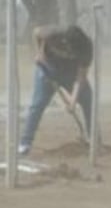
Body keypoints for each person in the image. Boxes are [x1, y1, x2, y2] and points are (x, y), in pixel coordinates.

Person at [19, 24, 94, 156]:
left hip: (71, 73)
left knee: (88, 100)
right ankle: (25, 143)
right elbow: (36, 32)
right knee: (38, 104)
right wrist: (40, 54)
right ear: (65, 40)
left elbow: (80, 78)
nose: (70, 52)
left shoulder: (86, 47)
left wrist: (72, 101)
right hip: (47, 69)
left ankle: (93, 139)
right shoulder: (54, 33)